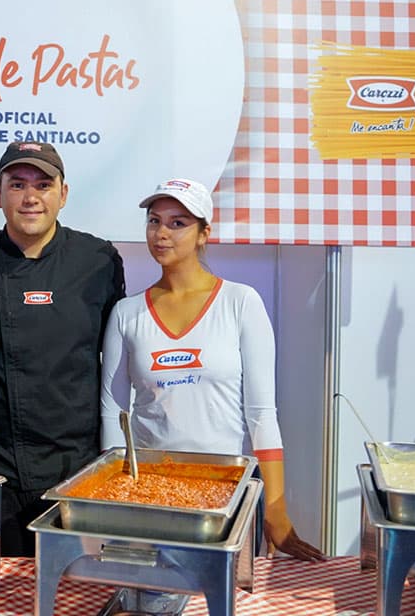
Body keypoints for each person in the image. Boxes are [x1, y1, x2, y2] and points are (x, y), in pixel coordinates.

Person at [100, 178, 325, 561]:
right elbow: (113, 414)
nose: (161, 233)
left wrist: (275, 508)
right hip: (153, 496)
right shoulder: (127, 313)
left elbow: (261, 415)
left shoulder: (240, 303)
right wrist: (117, 498)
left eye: (177, 223)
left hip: (227, 494)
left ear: (205, 233)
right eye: (154, 221)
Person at [0, 142, 126, 556]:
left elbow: (114, 361)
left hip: (75, 469)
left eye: (43, 184)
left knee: (76, 590)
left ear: (63, 193)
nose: (30, 197)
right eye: (17, 184)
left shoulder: (97, 260)